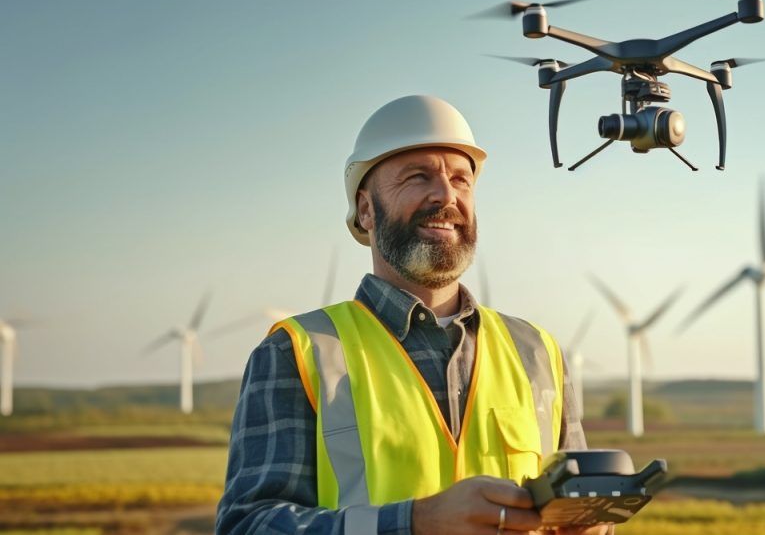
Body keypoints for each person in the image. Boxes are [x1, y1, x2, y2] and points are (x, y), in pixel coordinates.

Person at [216, 95, 608, 535]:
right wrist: (414, 524)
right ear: (366, 209)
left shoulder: (538, 351)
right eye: (418, 177)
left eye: (461, 179)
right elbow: (247, 526)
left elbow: (572, 505)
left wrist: (588, 525)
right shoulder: (299, 353)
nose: (446, 195)